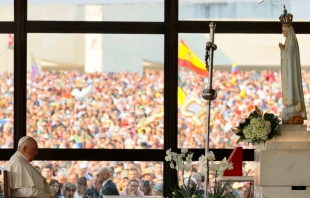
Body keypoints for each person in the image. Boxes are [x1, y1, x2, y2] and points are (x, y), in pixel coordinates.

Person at [279, 6, 307, 124]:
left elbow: (289, 56)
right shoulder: (289, 42)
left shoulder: (291, 43)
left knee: (284, 113)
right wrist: (283, 49)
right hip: (288, 72)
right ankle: (295, 109)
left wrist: (283, 50)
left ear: (288, 30)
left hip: (291, 74)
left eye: (284, 30)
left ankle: (296, 107)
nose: (282, 32)